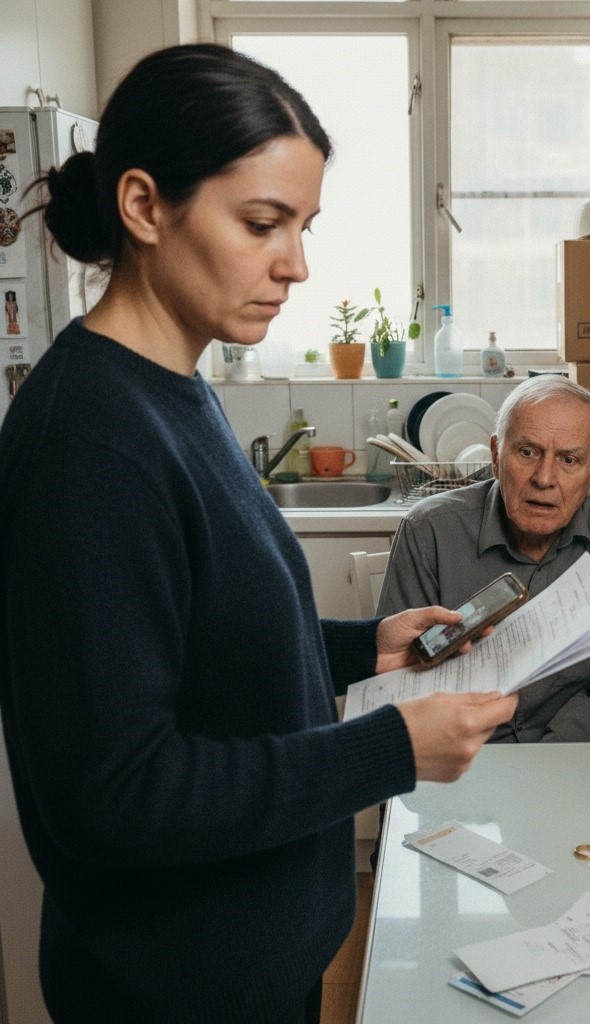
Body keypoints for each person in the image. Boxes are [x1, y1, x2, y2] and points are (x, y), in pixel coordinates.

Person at [0, 44, 516, 1024]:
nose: (297, 263)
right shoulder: (89, 442)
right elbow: (116, 791)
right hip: (174, 993)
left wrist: (367, 645)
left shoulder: (174, 388)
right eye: (261, 223)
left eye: (303, 224)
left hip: (251, 962)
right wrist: (387, 750)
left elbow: (197, 635)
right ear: (145, 207)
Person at [378, 374, 590, 742]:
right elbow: (398, 683)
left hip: (574, 756)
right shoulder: (428, 530)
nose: (544, 478)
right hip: (460, 755)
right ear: (495, 455)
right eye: (527, 452)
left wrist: (548, 757)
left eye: (569, 460)